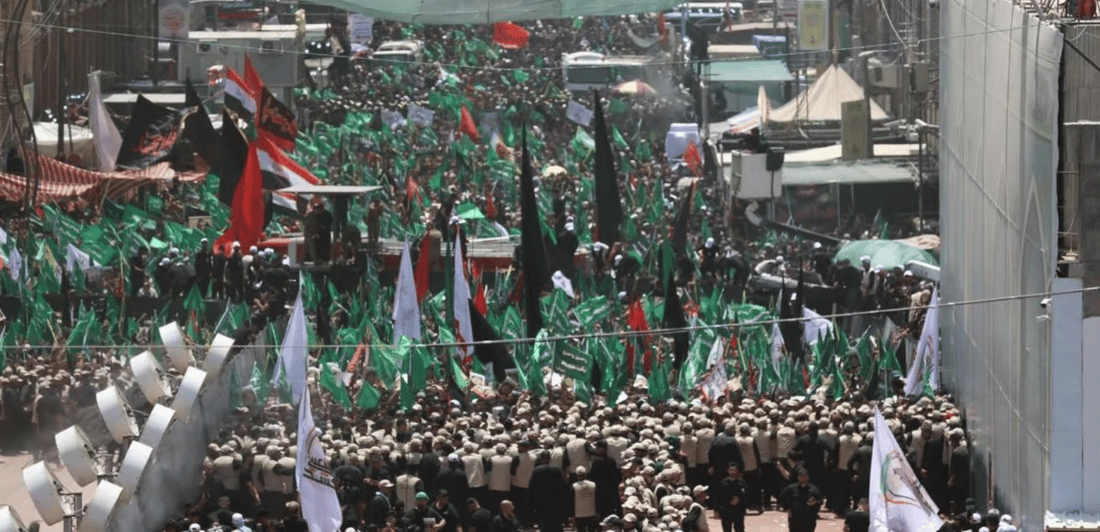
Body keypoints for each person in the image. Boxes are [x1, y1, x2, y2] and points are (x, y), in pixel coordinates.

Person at [717, 464, 747, 532]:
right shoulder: (723, 483)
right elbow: (719, 497)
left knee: (739, 529)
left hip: (738, 510)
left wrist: (739, 498)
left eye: (735, 470)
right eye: (731, 470)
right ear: (728, 471)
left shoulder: (741, 482)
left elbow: (747, 495)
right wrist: (717, 510)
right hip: (726, 510)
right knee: (727, 529)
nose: (733, 472)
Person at [570, 466, 598, 532]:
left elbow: (571, 501)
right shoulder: (593, 484)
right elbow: (597, 499)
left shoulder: (574, 486)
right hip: (591, 513)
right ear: (586, 474)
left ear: (576, 475)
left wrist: (571, 515)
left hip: (579, 514)